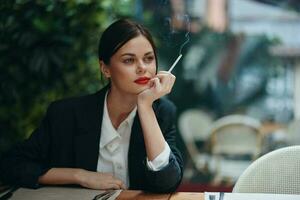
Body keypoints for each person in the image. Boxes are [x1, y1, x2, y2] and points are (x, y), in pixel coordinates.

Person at [0, 19, 183, 193]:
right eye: (129, 60)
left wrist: (145, 107)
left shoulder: (161, 113)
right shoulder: (66, 115)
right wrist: (78, 175)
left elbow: (167, 182)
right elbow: (10, 164)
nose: (142, 68)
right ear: (105, 68)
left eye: (149, 58)